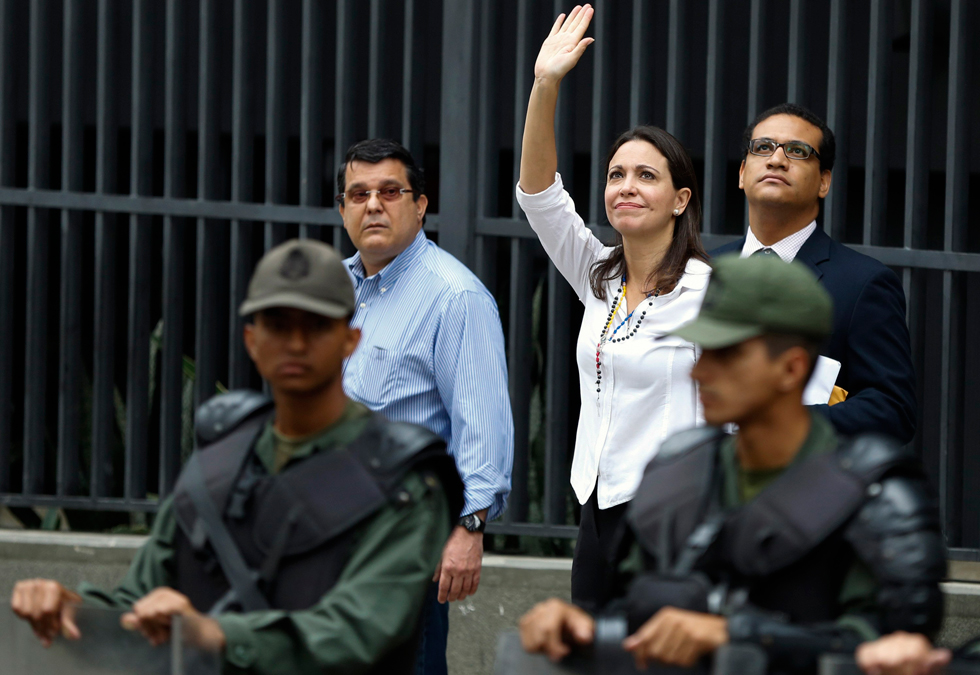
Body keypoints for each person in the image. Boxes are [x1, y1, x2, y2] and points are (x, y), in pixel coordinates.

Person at [10, 239, 463, 674]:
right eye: (279, 325)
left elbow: (358, 631)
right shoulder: (218, 460)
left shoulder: (401, 479)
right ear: (252, 340)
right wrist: (69, 609)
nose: (297, 343)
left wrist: (218, 635)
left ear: (350, 340)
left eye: (317, 325)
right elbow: (139, 602)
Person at [519, 255, 945, 674]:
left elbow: (885, 647)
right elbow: (638, 619)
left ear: (792, 367)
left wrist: (738, 636)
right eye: (702, 351)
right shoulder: (675, 474)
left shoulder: (875, 497)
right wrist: (586, 630)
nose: (700, 372)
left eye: (727, 355)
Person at [515, 4, 711, 611]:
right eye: (616, 173)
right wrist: (544, 86)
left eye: (646, 176)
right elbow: (540, 196)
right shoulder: (598, 276)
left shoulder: (709, 291)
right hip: (598, 513)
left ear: (680, 199)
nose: (626, 185)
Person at [336, 138, 514, 675]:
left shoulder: (454, 296)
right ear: (342, 208)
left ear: (420, 205)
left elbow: (480, 425)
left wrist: (469, 528)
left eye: (390, 191)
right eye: (358, 193)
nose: (373, 205)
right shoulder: (340, 291)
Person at [711, 103, 916, 444]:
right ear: (742, 173)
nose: (776, 159)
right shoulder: (702, 269)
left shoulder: (864, 283)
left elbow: (894, 409)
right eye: (763, 147)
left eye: (797, 151)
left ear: (824, 181)